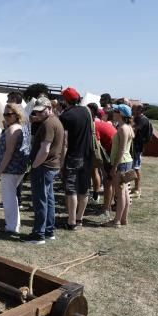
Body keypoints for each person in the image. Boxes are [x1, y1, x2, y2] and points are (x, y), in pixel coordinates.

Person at [24, 97, 64, 244]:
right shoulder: (54, 121)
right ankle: (48, 231)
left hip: (44, 167)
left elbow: (45, 149)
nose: (39, 114)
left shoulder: (48, 124)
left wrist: (34, 165)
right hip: (50, 166)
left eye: (41, 111)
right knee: (48, 199)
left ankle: (39, 234)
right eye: (37, 112)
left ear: (49, 108)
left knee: (40, 200)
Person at [60, 87, 92, 230]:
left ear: (66, 100)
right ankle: (79, 219)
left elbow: (64, 141)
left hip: (73, 155)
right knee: (84, 189)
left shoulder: (66, 116)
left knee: (71, 190)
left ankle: (71, 221)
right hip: (87, 155)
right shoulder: (87, 111)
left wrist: (61, 162)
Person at [0, 103, 30, 236]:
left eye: (9, 114)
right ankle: (15, 223)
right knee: (12, 197)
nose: (6, 116)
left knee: (8, 198)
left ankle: (11, 226)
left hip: (10, 169)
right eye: (5, 114)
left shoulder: (12, 130)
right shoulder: (21, 127)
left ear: (17, 115)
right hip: (18, 168)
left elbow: (8, 153)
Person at [88, 103, 117, 220]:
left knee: (108, 181)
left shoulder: (94, 126)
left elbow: (97, 146)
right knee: (111, 181)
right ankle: (108, 206)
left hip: (112, 153)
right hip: (113, 152)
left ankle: (106, 209)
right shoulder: (98, 124)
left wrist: (101, 165)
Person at [106, 104, 134, 226]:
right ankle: (123, 219)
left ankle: (116, 220)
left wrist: (114, 166)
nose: (113, 112)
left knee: (120, 193)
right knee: (125, 192)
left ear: (121, 114)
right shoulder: (128, 127)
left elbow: (121, 150)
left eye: (116, 111)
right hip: (127, 161)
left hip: (121, 163)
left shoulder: (123, 128)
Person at [132, 104, 153, 198]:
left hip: (137, 147)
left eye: (134, 109)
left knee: (136, 168)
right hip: (136, 146)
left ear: (140, 110)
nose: (132, 110)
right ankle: (136, 187)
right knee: (134, 167)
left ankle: (137, 189)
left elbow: (134, 130)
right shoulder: (139, 118)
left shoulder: (142, 120)